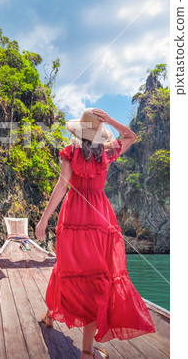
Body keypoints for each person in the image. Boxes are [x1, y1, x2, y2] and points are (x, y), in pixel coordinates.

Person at [35, 108, 155, 359]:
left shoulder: (70, 154)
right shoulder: (108, 152)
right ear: (99, 132)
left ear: (79, 132)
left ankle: (50, 316)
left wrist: (44, 219)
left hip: (74, 215)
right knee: (97, 279)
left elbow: (61, 187)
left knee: (66, 269)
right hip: (99, 216)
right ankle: (87, 352)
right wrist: (111, 121)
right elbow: (131, 136)